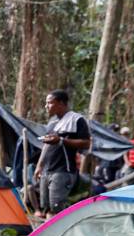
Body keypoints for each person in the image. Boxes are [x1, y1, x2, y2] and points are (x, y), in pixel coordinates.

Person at [33, 90, 91, 218]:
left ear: (61, 103)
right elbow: (46, 146)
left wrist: (61, 140)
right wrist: (39, 165)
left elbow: (86, 143)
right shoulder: (52, 123)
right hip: (47, 170)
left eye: (49, 103)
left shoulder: (76, 119)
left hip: (63, 171)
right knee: (47, 209)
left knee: (56, 208)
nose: (46, 106)